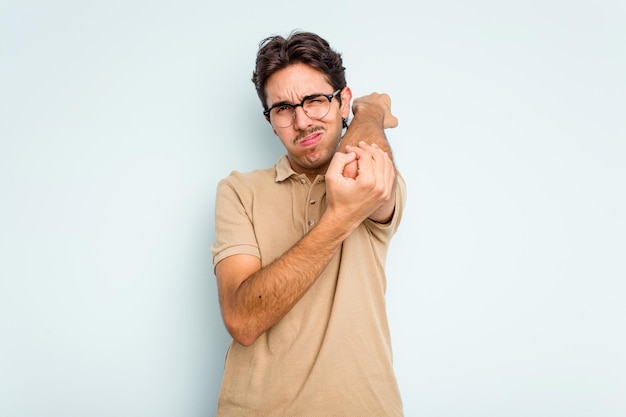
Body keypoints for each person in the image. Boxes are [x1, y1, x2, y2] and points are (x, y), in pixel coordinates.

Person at [211, 30, 406, 416]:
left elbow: (363, 167)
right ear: (270, 120)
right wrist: (339, 217)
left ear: (342, 101)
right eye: (283, 108)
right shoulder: (239, 190)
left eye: (316, 101)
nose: (302, 122)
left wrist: (367, 113)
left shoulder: (373, 178)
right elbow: (243, 321)